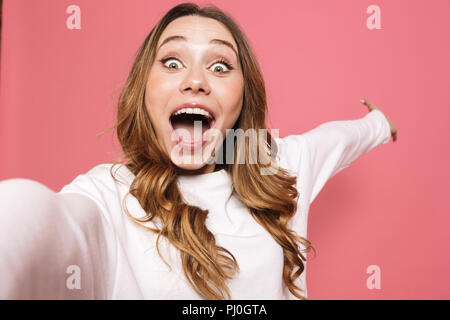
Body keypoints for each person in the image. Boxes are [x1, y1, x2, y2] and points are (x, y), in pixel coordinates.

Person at [0, 2, 397, 300]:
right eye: (172, 62)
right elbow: (37, 224)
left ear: (243, 98)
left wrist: (380, 124)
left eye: (220, 66)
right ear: (145, 91)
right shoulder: (110, 196)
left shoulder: (277, 164)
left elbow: (340, 139)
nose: (195, 80)